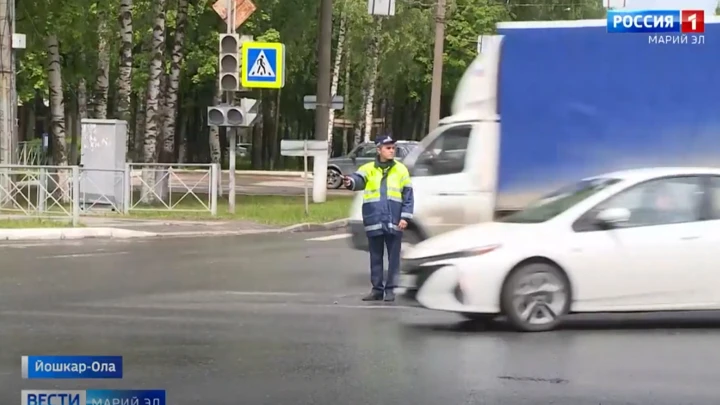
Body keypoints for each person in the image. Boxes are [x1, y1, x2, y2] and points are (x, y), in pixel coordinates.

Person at [343, 135, 414, 302]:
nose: (391, 150)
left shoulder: (400, 169)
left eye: (393, 148)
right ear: (379, 150)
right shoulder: (368, 168)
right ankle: (376, 290)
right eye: (388, 148)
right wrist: (349, 182)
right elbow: (358, 180)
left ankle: (390, 290)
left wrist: (405, 217)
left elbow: (408, 196)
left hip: (394, 220)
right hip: (374, 219)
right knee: (375, 257)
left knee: (393, 258)